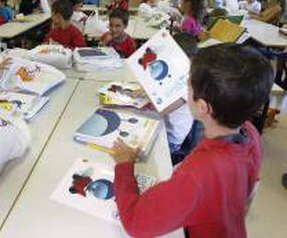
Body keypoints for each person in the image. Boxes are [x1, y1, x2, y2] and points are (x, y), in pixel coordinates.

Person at [111, 44, 274, 237]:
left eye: (187, 85)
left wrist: (124, 165)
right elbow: (249, 193)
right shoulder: (252, 133)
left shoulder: (198, 173)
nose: (184, 89)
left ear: (203, 107)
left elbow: (135, 222)